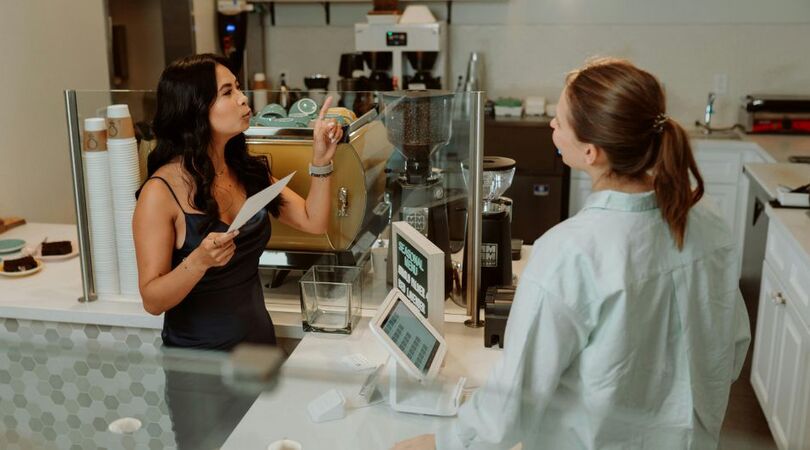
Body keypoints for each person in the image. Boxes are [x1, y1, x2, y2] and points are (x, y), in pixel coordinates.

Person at [395, 58, 751, 449]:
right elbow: (730, 350)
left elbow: (512, 402)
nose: (551, 125)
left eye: (560, 121)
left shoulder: (571, 253)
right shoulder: (708, 219)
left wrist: (438, 443)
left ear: (592, 152)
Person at [133, 53, 342, 350]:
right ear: (195, 108)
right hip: (199, 366)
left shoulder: (246, 170)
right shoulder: (159, 193)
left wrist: (321, 160)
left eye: (239, 89)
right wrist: (199, 261)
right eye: (228, 92)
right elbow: (153, 301)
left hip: (258, 345)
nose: (244, 99)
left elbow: (313, 220)